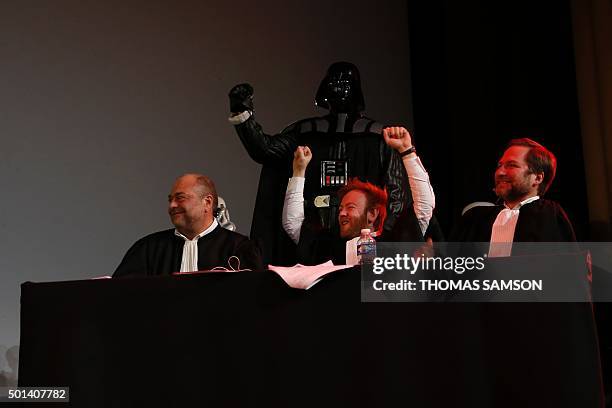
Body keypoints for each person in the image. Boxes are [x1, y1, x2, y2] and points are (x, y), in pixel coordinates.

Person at [228, 62, 422, 265]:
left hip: (364, 250)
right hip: (312, 247)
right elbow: (266, 150)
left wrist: (383, 240)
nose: (339, 87)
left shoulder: (380, 139)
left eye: (346, 81)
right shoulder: (304, 132)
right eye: (334, 81)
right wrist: (243, 114)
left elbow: (399, 199)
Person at [282, 126, 435, 265]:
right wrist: (298, 171)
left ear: (372, 213)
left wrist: (407, 151)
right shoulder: (328, 246)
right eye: (341, 208)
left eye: (350, 207)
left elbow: (424, 205)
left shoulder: (394, 242)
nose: (341, 213)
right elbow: (293, 224)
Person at [113, 174, 263, 277]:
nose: (172, 205)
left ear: (207, 202)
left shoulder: (240, 248)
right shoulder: (147, 248)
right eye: (170, 199)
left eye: (180, 198)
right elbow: (122, 296)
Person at [451, 138, 576, 255]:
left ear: (537, 178)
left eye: (512, 165)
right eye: (499, 165)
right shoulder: (476, 217)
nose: (500, 172)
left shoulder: (550, 214)